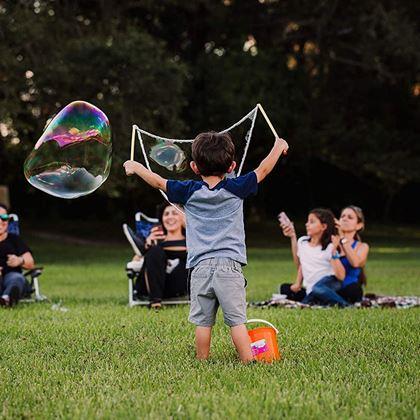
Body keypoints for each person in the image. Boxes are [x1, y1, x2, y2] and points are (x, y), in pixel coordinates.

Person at [124, 132, 289, 363]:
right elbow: (263, 170)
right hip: (229, 268)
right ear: (232, 166)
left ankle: (202, 360)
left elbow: (159, 182)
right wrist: (278, 146)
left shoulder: (188, 191)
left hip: (199, 268)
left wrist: (136, 166)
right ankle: (248, 361)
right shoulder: (237, 187)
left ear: (194, 167)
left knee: (203, 322)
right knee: (237, 321)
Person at [305, 205, 369, 306]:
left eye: (350, 217)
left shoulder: (362, 246)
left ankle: (327, 300)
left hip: (350, 288)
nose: (344, 219)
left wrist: (342, 238)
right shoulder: (331, 242)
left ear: (359, 225)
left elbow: (355, 263)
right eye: (342, 216)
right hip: (330, 286)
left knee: (352, 290)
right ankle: (333, 301)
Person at [279, 208, 345, 303]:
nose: (307, 224)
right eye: (307, 221)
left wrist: (334, 251)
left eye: (312, 222)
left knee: (317, 289)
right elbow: (302, 264)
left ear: (323, 226)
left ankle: (344, 305)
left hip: (330, 284)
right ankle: (313, 300)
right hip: (311, 289)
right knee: (284, 288)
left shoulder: (329, 246)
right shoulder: (302, 242)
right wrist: (298, 283)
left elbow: (341, 276)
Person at [132, 203, 188, 309]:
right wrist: (146, 247)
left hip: (177, 286)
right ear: (162, 219)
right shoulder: (154, 241)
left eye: (174, 213)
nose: (170, 217)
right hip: (150, 286)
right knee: (155, 251)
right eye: (166, 214)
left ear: (183, 217)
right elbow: (134, 262)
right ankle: (155, 302)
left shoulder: (192, 241)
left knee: (191, 255)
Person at [0, 203, 35, 307]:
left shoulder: (14, 239)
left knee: (17, 278)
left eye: (4, 218)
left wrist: (20, 260)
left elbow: (30, 263)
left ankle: (7, 299)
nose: (1, 221)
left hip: (11, 276)